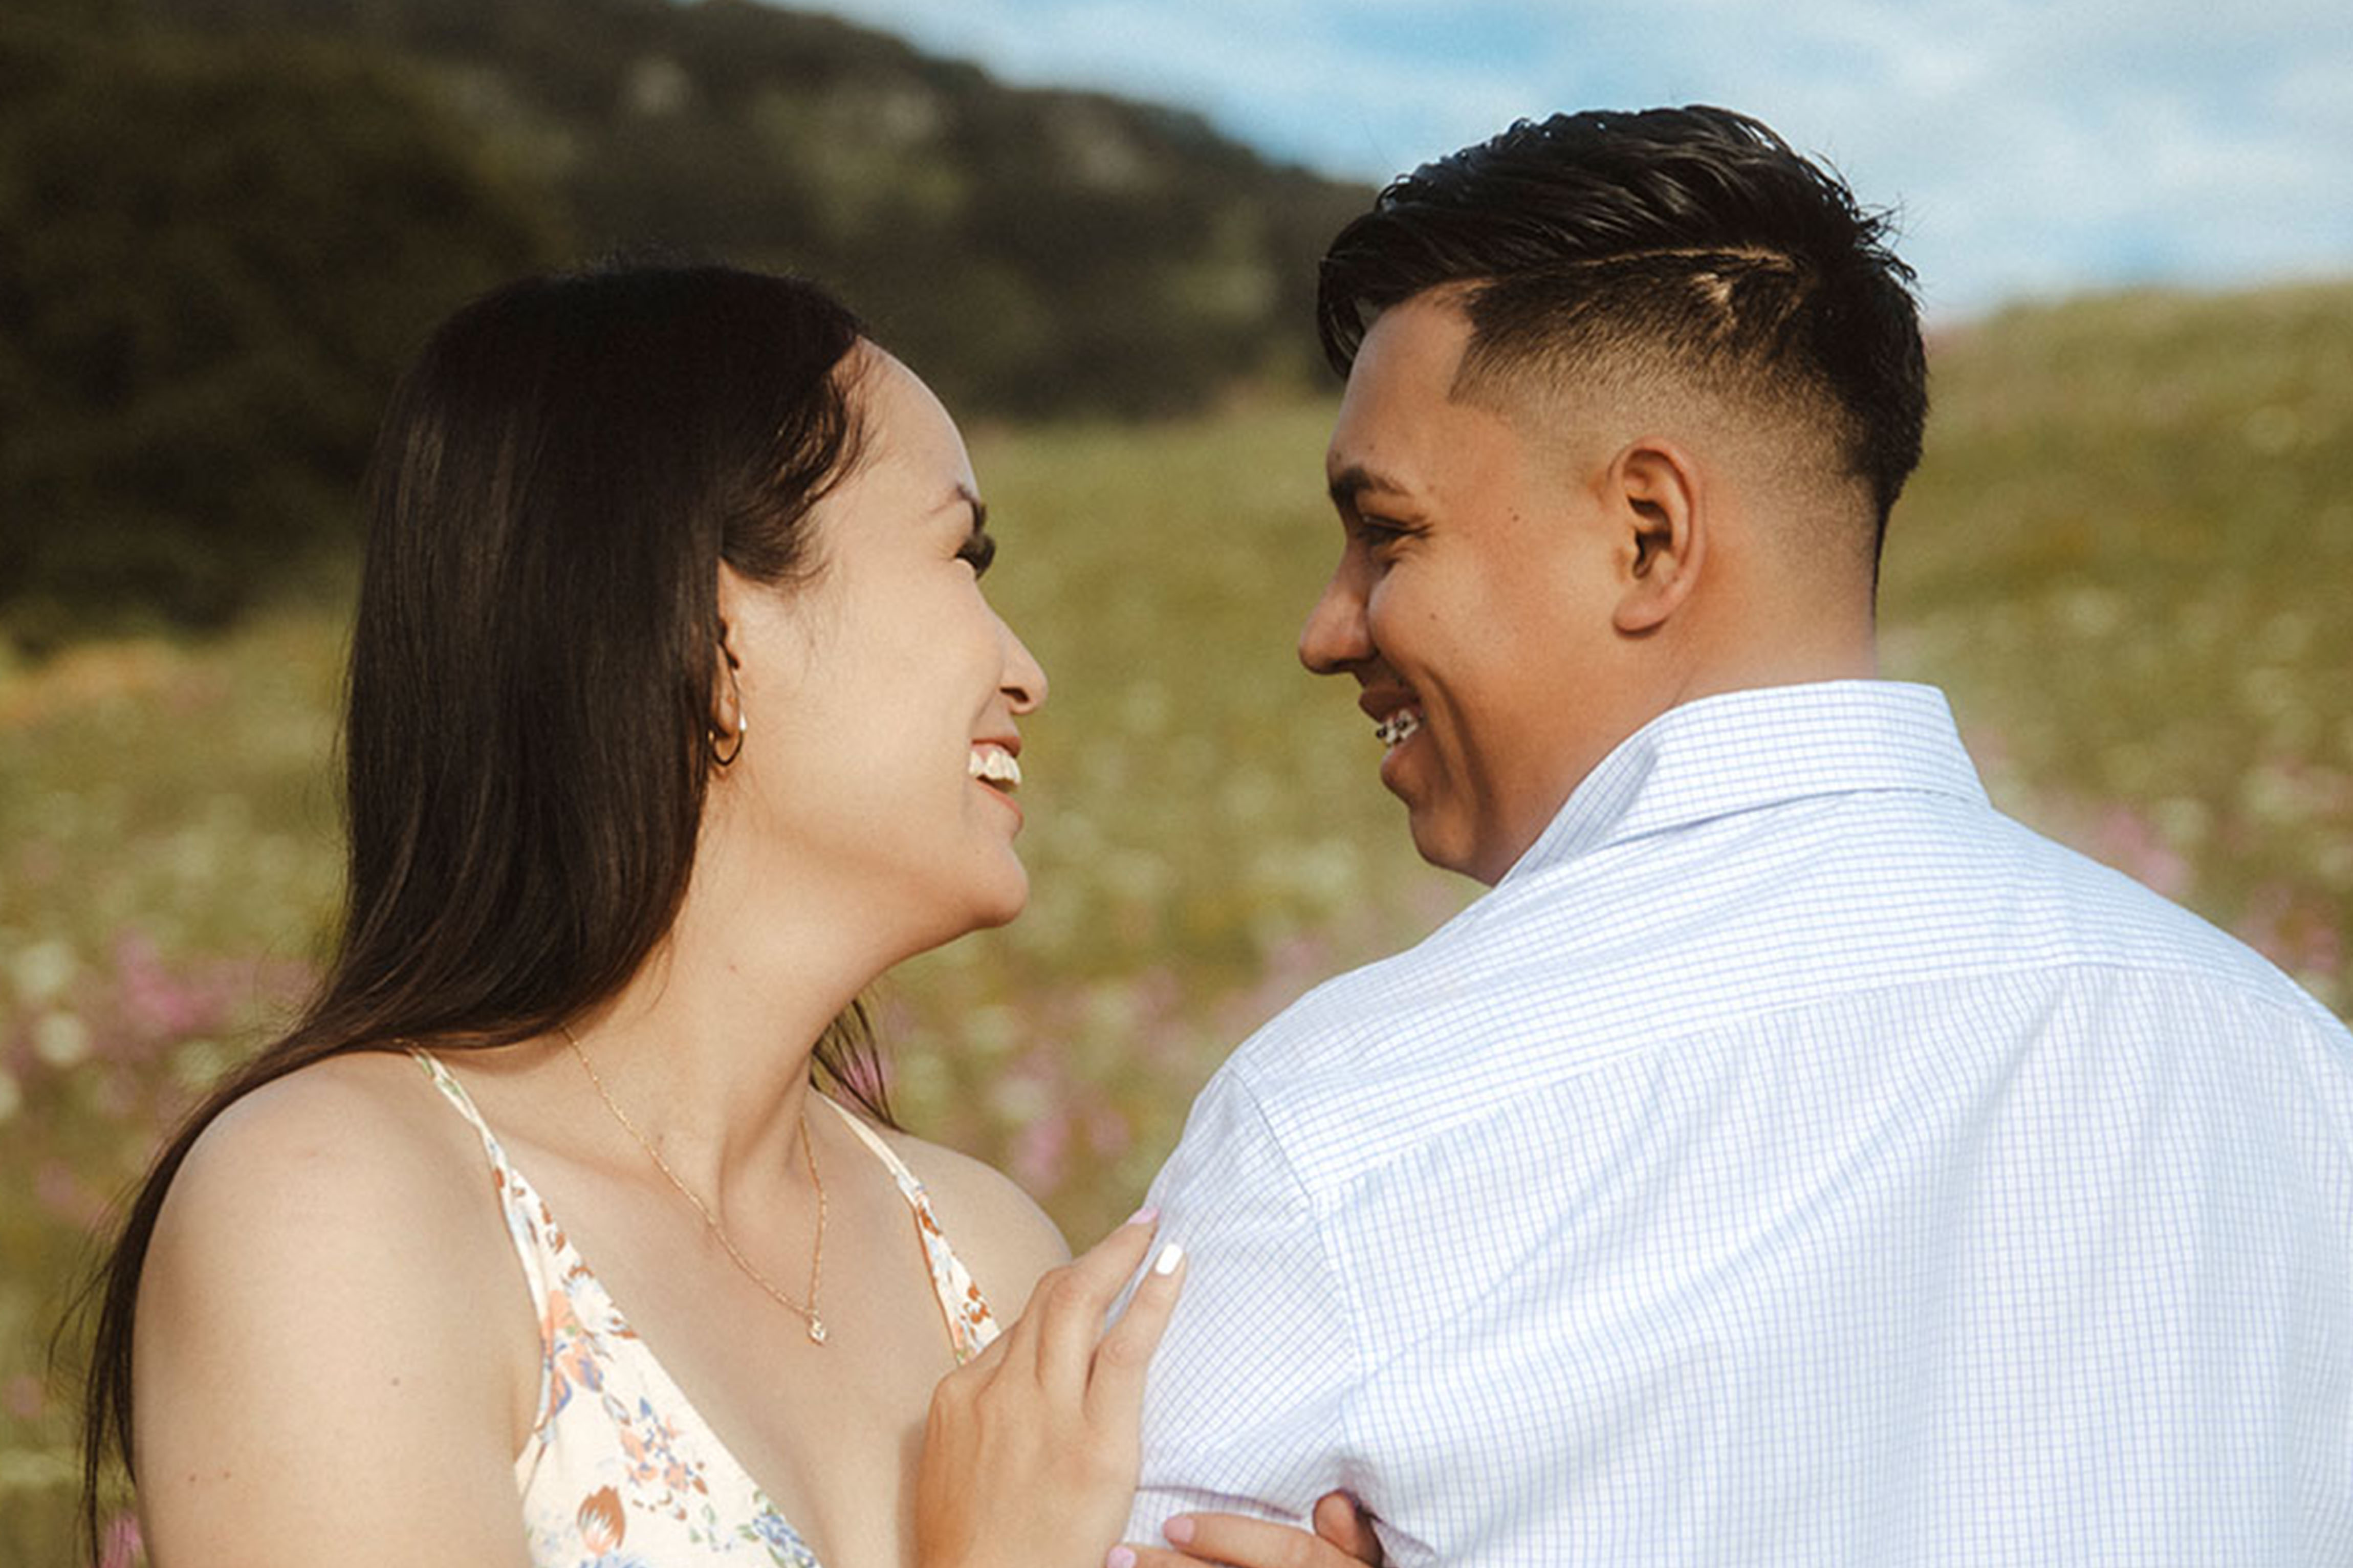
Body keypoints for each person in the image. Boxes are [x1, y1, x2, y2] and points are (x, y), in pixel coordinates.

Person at [1124, 106, 2353, 1562]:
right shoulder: (2294, 1073)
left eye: (1385, 532)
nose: (1328, 629)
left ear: (1646, 534)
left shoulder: (1350, 1129)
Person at [75, 262, 1372, 1568]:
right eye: (960, 556)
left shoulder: (981, 1254)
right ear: (714, 626)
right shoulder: (341, 1206)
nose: (1022, 669)